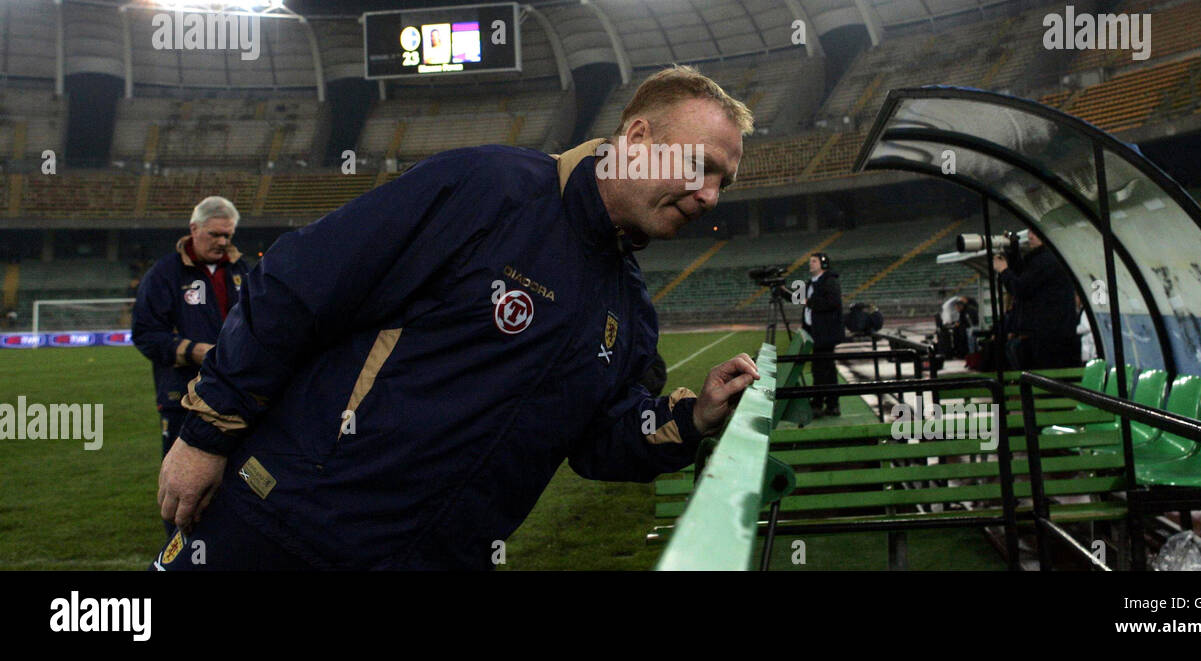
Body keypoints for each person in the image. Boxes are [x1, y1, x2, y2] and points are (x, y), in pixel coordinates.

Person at [152, 65, 761, 571]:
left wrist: (691, 419)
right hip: (286, 526)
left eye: (723, 183)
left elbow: (597, 442)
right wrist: (206, 435)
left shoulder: (631, 310)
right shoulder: (490, 189)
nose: (709, 195)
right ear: (637, 137)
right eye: (699, 166)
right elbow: (297, 285)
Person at [133, 197, 250, 466]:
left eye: (228, 235)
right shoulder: (164, 274)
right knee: (184, 474)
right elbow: (146, 335)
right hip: (183, 395)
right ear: (194, 229)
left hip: (237, 391)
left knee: (238, 472)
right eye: (215, 234)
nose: (222, 242)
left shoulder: (243, 270)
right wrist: (193, 351)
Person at [992, 229, 1080, 370]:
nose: (1030, 236)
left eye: (1035, 233)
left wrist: (1003, 271)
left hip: (1047, 338)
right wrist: (1013, 251)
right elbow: (1023, 274)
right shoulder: (1045, 258)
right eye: (1030, 232)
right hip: (1050, 335)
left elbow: (1021, 288)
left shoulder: (1046, 261)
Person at [802, 252, 844, 417]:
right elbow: (799, 299)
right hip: (815, 332)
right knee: (825, 369)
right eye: (810, 261)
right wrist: (783, 290)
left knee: (822, 370)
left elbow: (832, 302)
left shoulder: (830, 281)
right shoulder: (811, 282)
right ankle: (829, 404)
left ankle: (821, 404)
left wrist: (810, 302)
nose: (810, 264)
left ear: (823, 264)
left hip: (825, 333)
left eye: (814, 261)